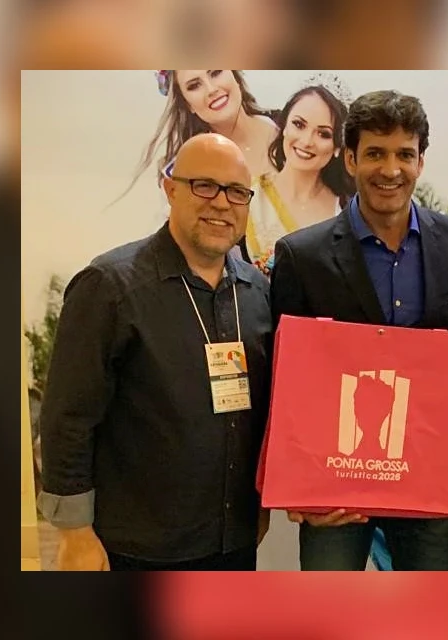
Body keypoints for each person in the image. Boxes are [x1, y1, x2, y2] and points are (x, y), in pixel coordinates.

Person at [269, 89, 448, 571]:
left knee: (427, 607)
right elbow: (284, 377)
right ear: (350, 159)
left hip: (424, 474)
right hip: (334, 482)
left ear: (421, 161)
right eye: (376, 153)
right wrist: (293, 486)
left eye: (404, 154)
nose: (391, 169)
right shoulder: (301, 255)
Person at [38, 133, 273, 571]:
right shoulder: (110, 287)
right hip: (136, 546)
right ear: (170, 189)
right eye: (205, 185)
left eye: (237, 192)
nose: (222, 203)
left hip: (233, 541)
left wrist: (259, 505)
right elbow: (68, 417)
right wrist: (74, 532)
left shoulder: (257, 292)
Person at [245, 83, 355, 274]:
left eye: (323, 134)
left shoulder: (348, 209)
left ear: (337, 146)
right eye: (299, 125)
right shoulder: (248, 197)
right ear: (284, 127)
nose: (306, 141)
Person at [132, 70, 279, 192]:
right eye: (194, 85)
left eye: (216, 72)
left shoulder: (287, 126)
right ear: (187, 104)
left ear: (235, 75)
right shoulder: (188, 172)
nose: (211, 89)